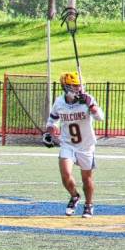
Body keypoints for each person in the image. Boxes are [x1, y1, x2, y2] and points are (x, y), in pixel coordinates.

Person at [44, 72, 104, 218]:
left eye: (80, 85)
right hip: (68, 143)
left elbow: (100, 117)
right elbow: (51, 122)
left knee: (86, 178)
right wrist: (49, 134)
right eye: (75, 86)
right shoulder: (59, 102)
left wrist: (91, 105)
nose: (78, 88)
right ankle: (74, 196)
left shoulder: (87, 99)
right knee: (65, 174)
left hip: (86, 145)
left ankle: (89, 205)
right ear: (66, 87)